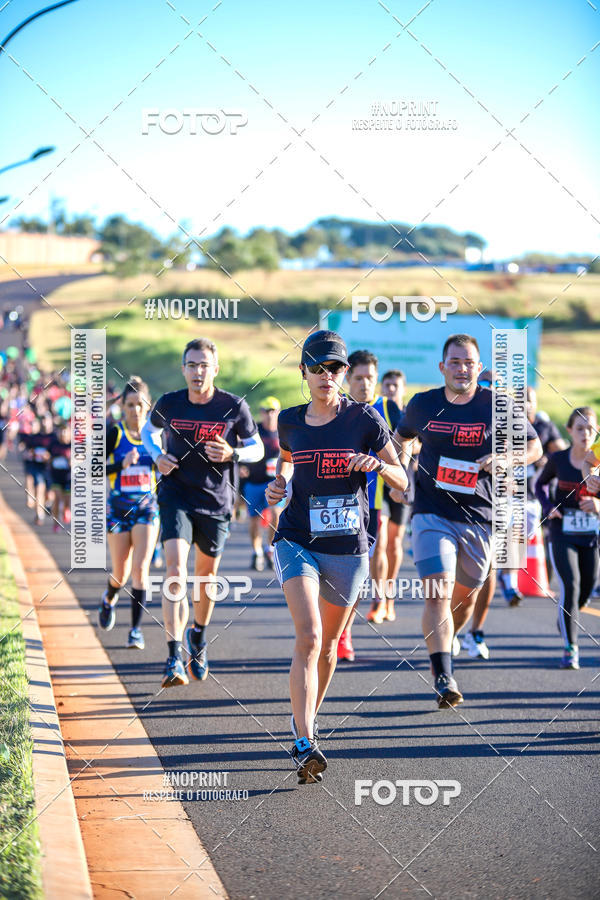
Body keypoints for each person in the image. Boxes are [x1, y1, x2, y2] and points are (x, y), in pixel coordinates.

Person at [266, 330, 407, 784]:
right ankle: (304, 739)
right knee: (308, 635)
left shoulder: (364, 418)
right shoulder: (289, 420)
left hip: (349, 547)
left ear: (344, 373)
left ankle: (304, 719)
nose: (327, 376)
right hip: (297, 539)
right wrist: (280, 483)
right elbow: (287, 460)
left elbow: (404, 479)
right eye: (318, 368)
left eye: (335, 369)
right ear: (303, 372)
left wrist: (379, 466)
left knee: (328, 646)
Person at [393, 334, 542, 707]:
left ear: (480, 368)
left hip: (479, 514)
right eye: (454, 362)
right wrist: (399, 476)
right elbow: (401, 439)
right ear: (442, 367)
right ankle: (443, 675)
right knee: (437, 590)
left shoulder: (498, 405)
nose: (462, 369)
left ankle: (450, 638)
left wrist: (506, 460)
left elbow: (535, 446)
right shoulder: (423, 404)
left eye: (469, 362)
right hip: (431, 512)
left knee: (466, 595)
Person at [142, 339, 264, 687]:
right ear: (183, 369)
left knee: (205, 579)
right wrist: (157, 457)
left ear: (215, 369)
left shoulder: (233, 406)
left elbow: (256, 448)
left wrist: (232, 453)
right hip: (176, 494)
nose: (198, 372)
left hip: (216, 500)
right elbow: (149, 433)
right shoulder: (169, 403)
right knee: (176, 570)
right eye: (192, 365)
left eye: (204, 365)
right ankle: (173, 655)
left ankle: (198, 634)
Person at [336, 350, 403, 663]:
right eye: (358, 378)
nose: (364, 384)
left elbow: (407, 443)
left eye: (370, 379)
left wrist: (401, 481)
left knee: (362, 567)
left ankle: (347, 630)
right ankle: (330, 626)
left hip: (371, 503)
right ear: (347, 378)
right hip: (330, 502)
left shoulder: (386, 408)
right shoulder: (334, 409)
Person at [98, 377, 160, 650]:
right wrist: (119, 465)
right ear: (122, 406)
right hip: (119, 508)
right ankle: (109, 597)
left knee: (141, 569)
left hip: (147, 508)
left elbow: (168, 470)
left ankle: (135, 630)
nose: (135, 410)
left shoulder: (157, 435)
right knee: (120, 573)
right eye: (131, 405)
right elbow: (91, 469)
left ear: (149, 407)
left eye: (140, 405)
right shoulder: (115, 433)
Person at [535, 407, 599, 669]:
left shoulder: (599, 461)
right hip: (562, 532)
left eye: (591, 428)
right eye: (580, 428)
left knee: (586, 590)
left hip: (592, 533)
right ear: (570, 430)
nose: (586, 434)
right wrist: (549, 507)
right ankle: (570, 648)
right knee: (570, 587)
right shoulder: (559, 459)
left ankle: (568, 614)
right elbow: (538, 484)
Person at [243, 396, 285, 571]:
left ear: (278, 412)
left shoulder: (283, 431)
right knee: (254, 519)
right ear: (260, 413)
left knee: (276, 514)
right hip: (254, 481)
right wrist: (242, 466)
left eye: (273, 411)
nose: (269, 415)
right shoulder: (255, 430)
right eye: (266, 411)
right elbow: (245, 447)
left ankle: (269, 548)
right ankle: (256, 551)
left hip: (274, 482)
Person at [48, 421, 71, 532]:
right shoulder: (54, 444)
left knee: (67, 501)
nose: (63, 433)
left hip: (68, 477)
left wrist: (74, 461)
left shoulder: (73, 445)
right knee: (56, 499)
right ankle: (56, 522)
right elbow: (47, 456)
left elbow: (82, 457)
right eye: (61, 431)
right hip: (56, 476)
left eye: (65, 431)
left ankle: (66, 509)